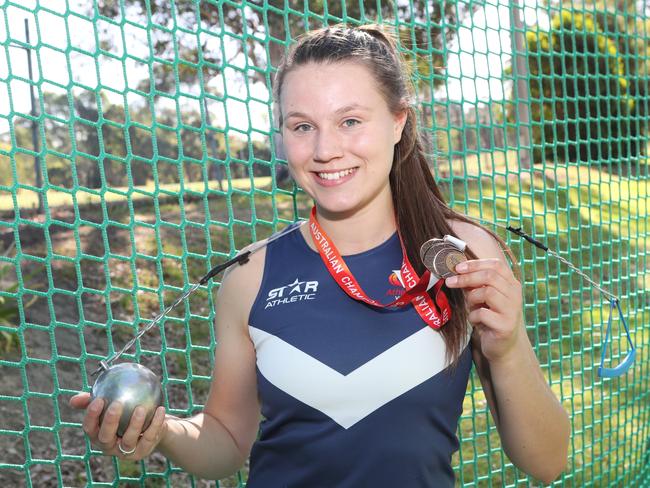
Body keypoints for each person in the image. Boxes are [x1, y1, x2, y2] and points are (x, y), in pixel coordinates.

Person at [70, 24, 570, 486]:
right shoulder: (249, 276)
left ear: (399, 122)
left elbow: (547, 463)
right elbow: (225, 442)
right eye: (302, 126)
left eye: (350, 120)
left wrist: (508, 348)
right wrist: (162, 434)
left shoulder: (465, 255)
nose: (325, 149)